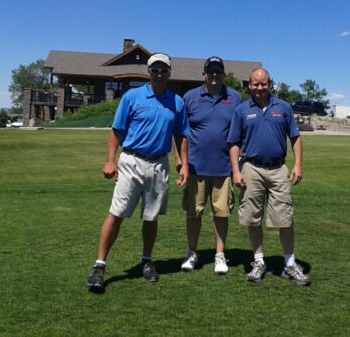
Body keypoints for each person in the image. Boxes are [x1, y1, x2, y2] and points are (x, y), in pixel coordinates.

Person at [87, 53, 190, 293]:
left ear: (169, 73)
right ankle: (99, 266)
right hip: (131, 161)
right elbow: (116, 131)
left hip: (158, 165)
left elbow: (181, 135)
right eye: (155, 69)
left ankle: (146, 261)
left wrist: (182, 162)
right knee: (117, 213)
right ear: (148, 72)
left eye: (164, 69)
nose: (159, 73)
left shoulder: (177, 102)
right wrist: (110, 160)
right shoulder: (132, 97)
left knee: (151, 217)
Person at [227, 68, 310, 286]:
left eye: (263, 84)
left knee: (285, 217)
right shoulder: (242, 110)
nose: (259, 88)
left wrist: (298, 164)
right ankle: (259, 261)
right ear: (249, 85)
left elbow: (295, 137)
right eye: (255, 84)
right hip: (251, 168)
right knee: (252, 217)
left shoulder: (283, 108)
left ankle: (289, 263)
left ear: (270, 84)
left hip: (278, 169)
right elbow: (234, 143)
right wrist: (236, 170)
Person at [178, 56, 243, 275]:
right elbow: (180, 132)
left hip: (224, 168)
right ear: (203, 74)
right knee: (194, 214)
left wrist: (237, 165)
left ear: (224, 74)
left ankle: (219, 255)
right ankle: (192, 252)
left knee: (221, 213)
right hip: (196, 167)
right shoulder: (190, 97)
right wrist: (181, 161)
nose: (214, 76)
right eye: (210, 71)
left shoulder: (234, 97)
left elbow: (240, 133)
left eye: (218, 72)